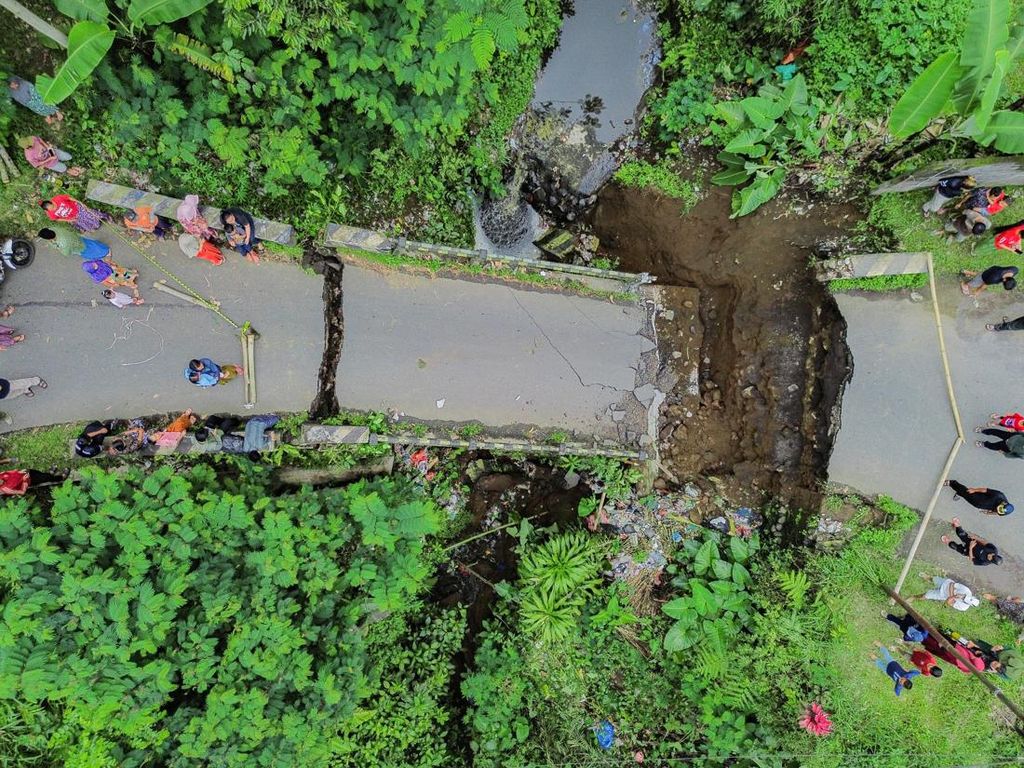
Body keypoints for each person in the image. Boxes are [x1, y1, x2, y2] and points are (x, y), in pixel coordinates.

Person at [40, 195, 108, 232]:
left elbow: (69, 198)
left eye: (53, 206)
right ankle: (96, 224)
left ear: (51, 202)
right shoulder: (50, 213)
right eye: (51, 209)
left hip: (77, 208)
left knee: (91, 214)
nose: (54, 208)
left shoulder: (58, 198)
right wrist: (68, 220)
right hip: (72, 217)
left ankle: (105, 216)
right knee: (86, 224)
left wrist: (80, 203)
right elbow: (57, 219)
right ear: (47, 210)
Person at [37, 226, 110, 261]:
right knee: (91, 244)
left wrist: (56, 246)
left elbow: (66, 253)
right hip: (77, 238)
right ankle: (103, 248)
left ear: (49, 239)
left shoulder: (63, 244)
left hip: (78, 247)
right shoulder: (53, 228)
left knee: (89, 251)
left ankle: (104, 253)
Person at [943, 479, 1013, 515]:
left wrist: (988, 513)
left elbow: (997, 513)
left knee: (965, 495)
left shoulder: (1003, 512)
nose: (998, 510)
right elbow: (985, 490)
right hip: (977, 496)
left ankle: (960, 493)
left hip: (977, 504)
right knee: (965, 491)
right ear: (1003, 503)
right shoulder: (998, 495)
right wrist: (974, 490)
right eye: (999, 508)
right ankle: (952, 483)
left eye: (999, 511)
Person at [914, 576, 979, 611]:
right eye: (965, 596)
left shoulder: (963, 607)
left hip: (942, 595)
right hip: (945, 583)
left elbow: (948, 602)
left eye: (964, 598)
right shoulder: (967, 590)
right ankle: (924, 577)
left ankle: (914, 597)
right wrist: (952, 596)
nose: (963, 596)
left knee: (925, 596)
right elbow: (952, 584)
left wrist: (953, 597)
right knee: (933, 579)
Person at [0, 468, 67, 495]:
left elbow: (10, 472)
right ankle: (61, 478)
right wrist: (24, 481)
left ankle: (50, 473)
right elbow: (22, 492)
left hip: (27, 472)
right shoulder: (6, 489)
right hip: (30, 480)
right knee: (45, 478)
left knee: (40, 474)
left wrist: (19, 471)